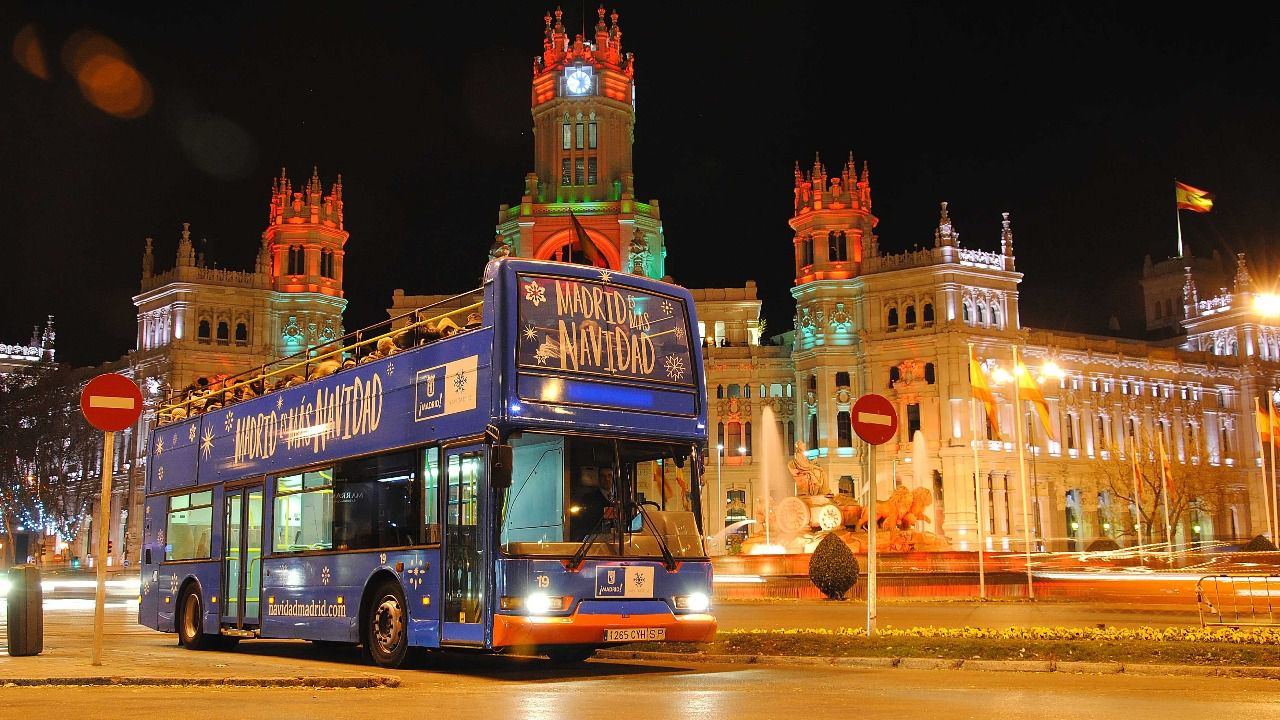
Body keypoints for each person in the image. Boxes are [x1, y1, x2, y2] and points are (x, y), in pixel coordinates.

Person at [569, 468, 610, 542]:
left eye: (609, 476)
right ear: (599, 478)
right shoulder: (589, 498)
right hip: (593, 541)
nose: (606, 479)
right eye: (603, 476)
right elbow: (582, 523)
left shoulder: (620, 498)